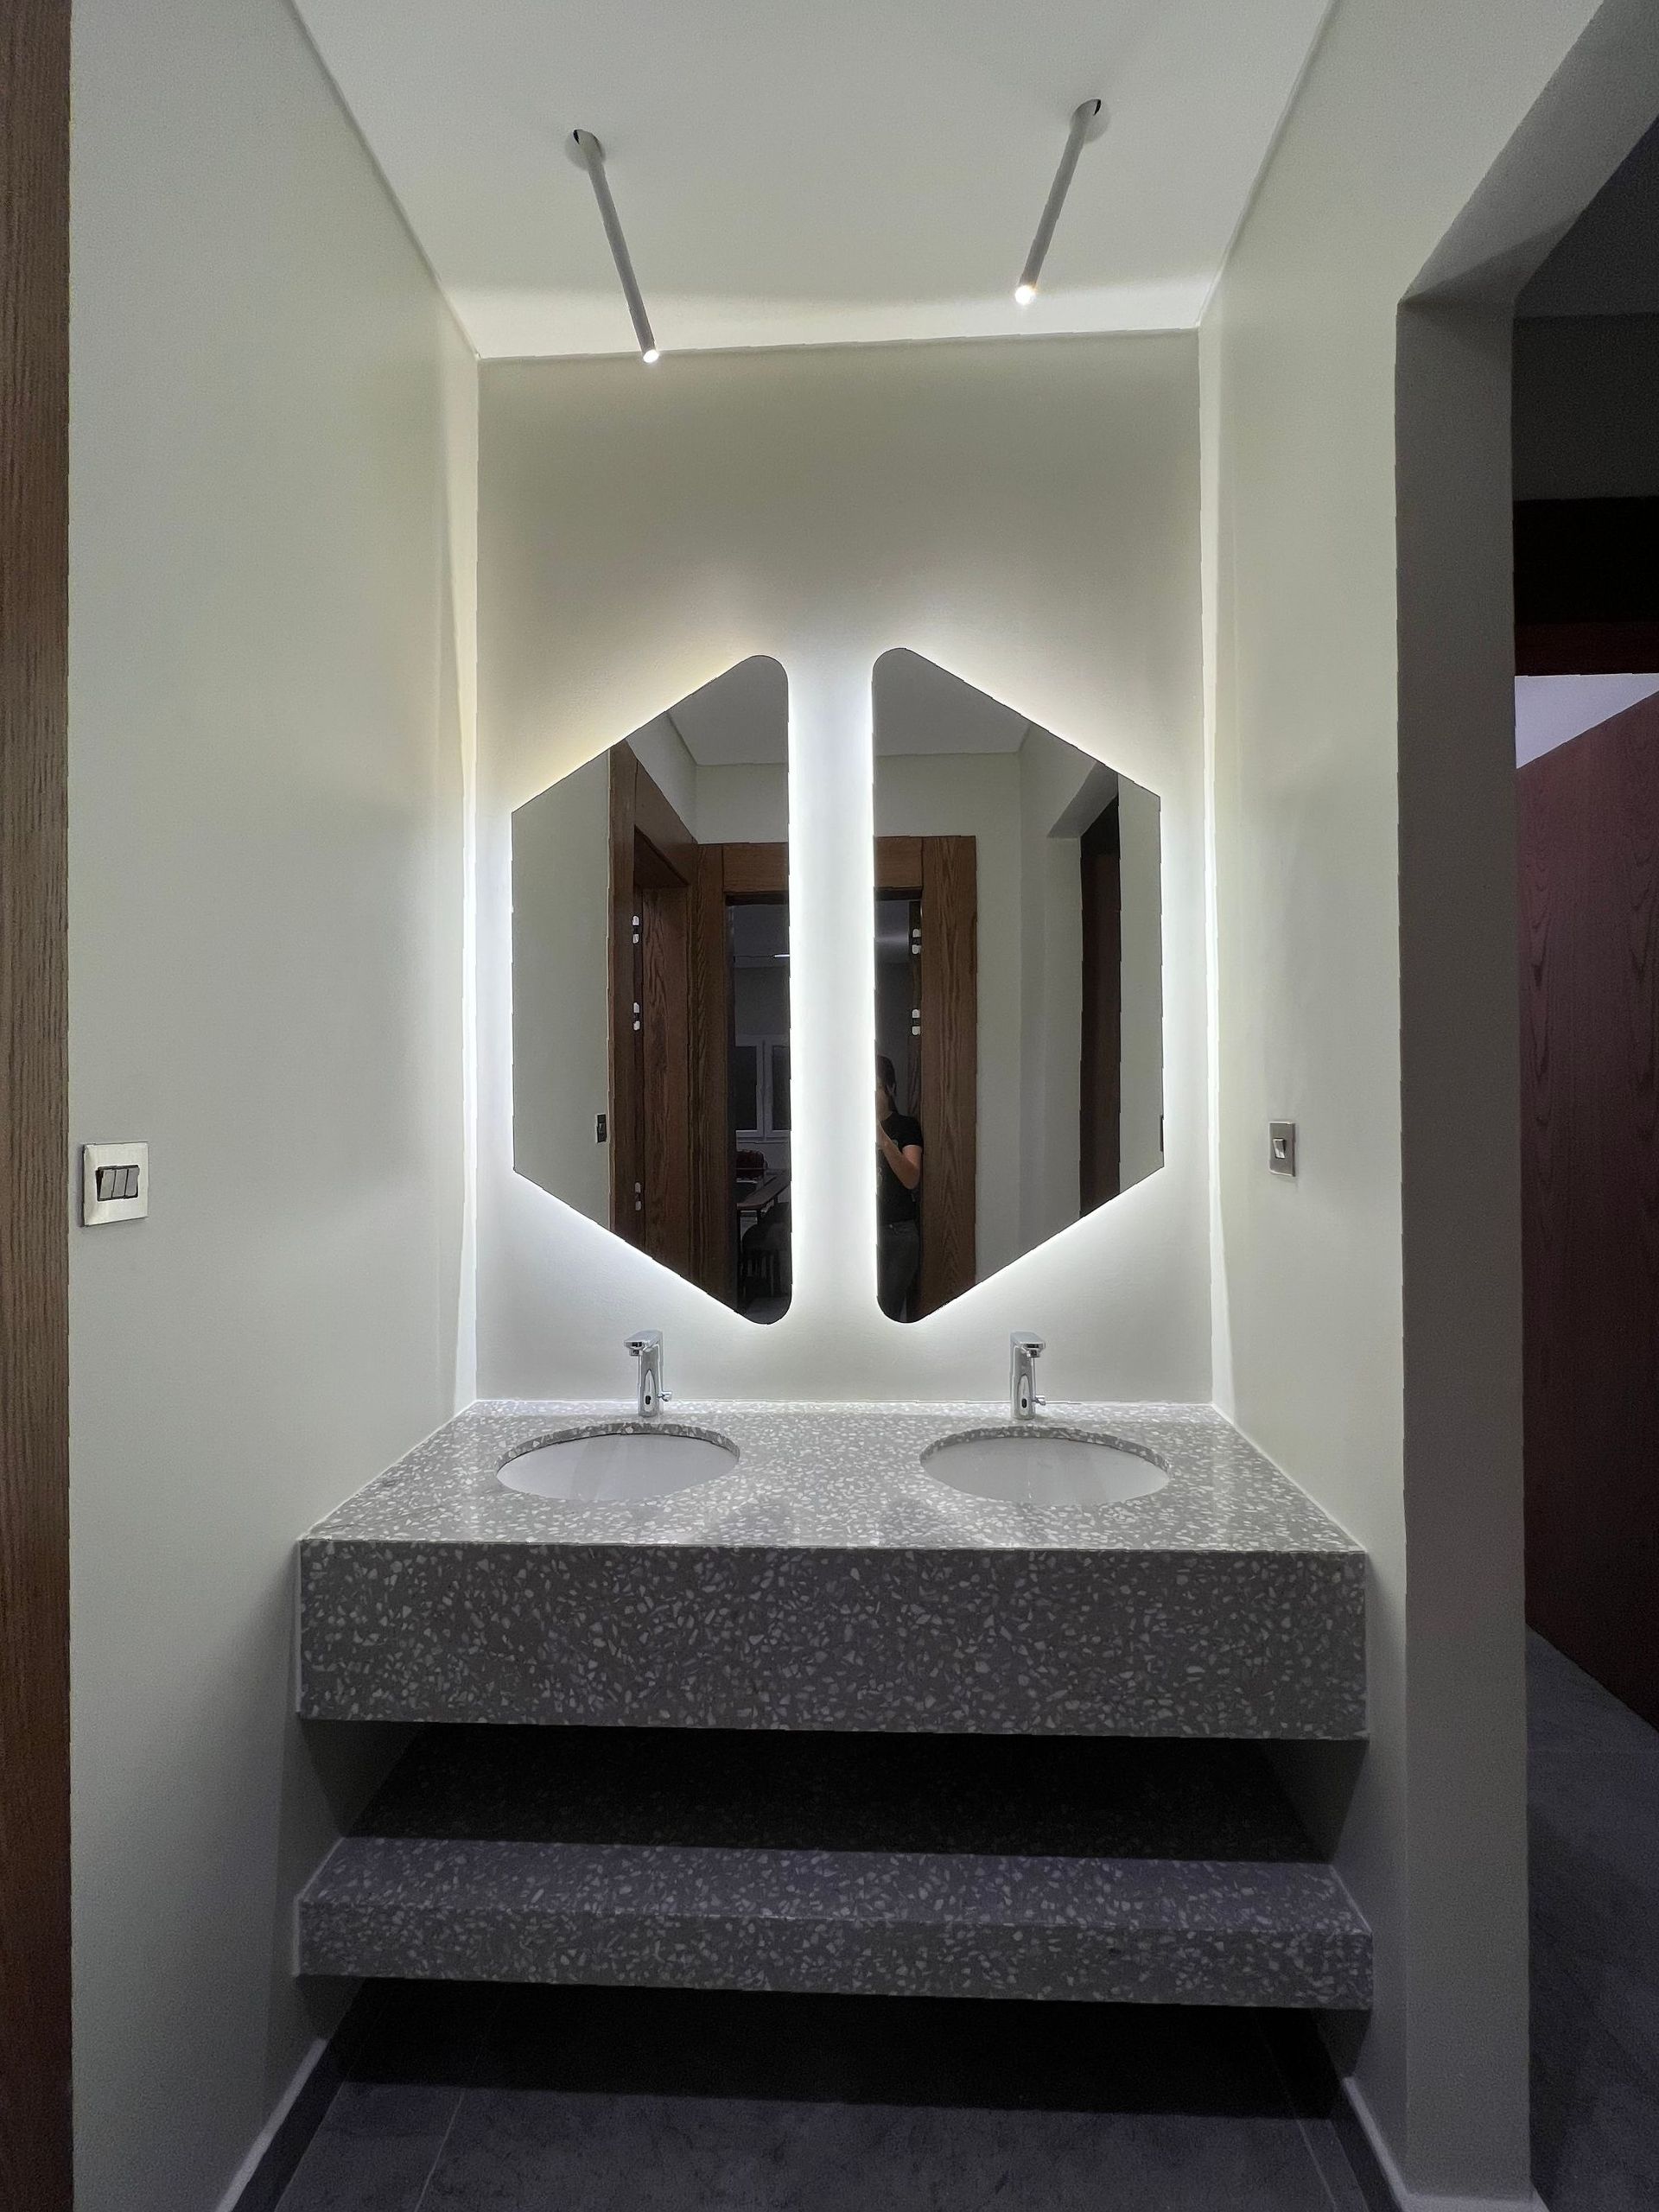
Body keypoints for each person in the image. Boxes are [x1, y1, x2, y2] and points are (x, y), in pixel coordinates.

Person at [875, 1053, 923, 1319]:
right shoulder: (846, 1128)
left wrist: (881, 1138)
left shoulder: (906, 1127)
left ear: (891, 1088)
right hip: (857, 1234)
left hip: (897, 1233)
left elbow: (911, 1178)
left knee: (888, 1314)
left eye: (876, 1087)